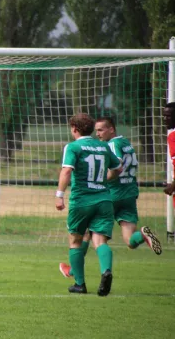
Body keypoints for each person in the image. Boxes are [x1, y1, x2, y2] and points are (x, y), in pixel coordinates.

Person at [59, 117, 162, 280]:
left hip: (112, 194)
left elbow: (117, 167)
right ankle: (142, 235)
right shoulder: (126, 143)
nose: (98, 134)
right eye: (96, 130)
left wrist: (100, 179)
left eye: (101, 130)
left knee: (87, 234)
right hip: (130, 193)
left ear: (112, 129)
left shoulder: (112, 145)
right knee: (129, 240)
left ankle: (74, 271)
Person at [55, 113, 121, 296]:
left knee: (75, 241)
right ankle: (106, 271)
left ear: (74, 129)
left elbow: (67, 171)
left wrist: (59, 195)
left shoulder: (73, 147)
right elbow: (118, 168)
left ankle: (79, 284)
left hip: (81, 200)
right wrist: (104, 181)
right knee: (99, 240)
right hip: (104, 199)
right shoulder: (103, 146)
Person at [163, 102, 175, 196]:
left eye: (168, 116)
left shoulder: (173, 137)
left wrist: (173, 185)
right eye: (164, 116)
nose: (165, 119)